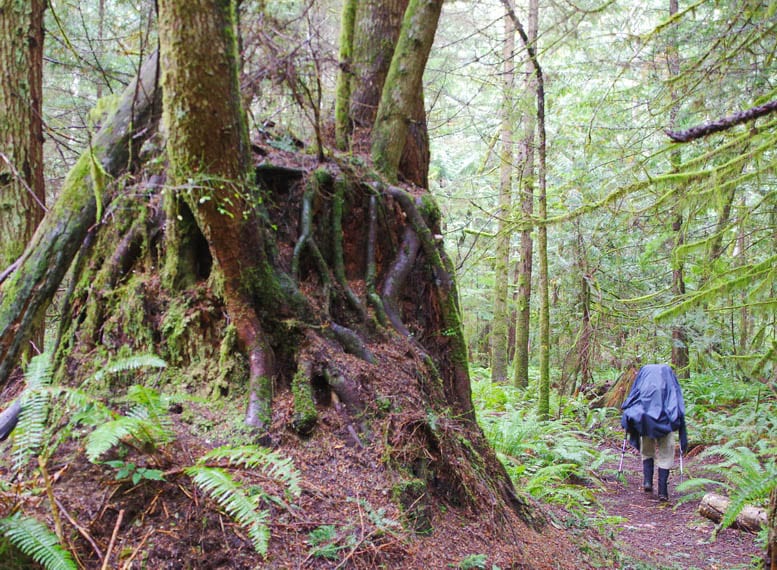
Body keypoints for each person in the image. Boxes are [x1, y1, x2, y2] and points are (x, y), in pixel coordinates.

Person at [620, 364, 688, 501]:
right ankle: (663, 491)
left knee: (647, 448)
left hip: (645, 420)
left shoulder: (642, 379)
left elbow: (632, 398)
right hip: (666, 421)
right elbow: (677, 401)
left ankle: (647, 481)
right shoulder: (669, 378)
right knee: (666, 452)